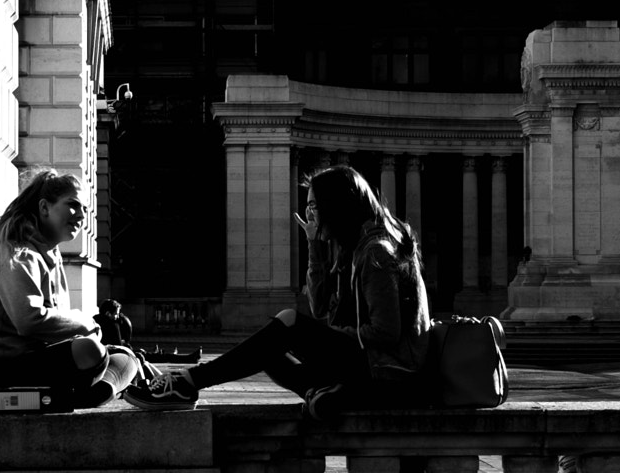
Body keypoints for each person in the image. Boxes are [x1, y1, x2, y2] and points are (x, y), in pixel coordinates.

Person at [146, 165, 433, 420]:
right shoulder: (355, 249)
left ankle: (189, 382)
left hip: (389, 375)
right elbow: (320, 308)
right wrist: (315, 245)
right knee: (268, 349)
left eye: (314, 206)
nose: (310, 214)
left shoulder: (376, 253)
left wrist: (320, 339)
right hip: (369, 367)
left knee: (287, 324)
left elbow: (386, 332)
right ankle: (322, 394)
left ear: (337, 206)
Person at [0, 169, 177, 409]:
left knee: (126, 356)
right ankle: (98, 389)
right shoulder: (17, 252)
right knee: (91, 350)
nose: (81, 216)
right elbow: (29, 321)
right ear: (45, 208)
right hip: (0, 369)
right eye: (73, 205)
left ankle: (97, 391)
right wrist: (87, 324)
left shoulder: (48, 251)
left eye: (85, 209)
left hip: (32, 359)